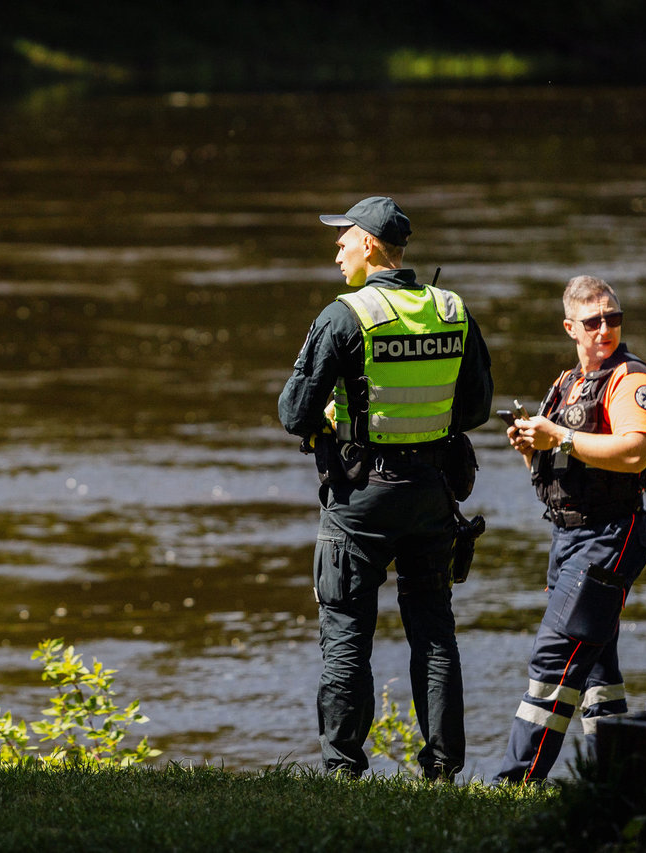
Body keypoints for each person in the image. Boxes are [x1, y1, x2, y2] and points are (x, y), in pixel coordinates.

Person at [278, 196, 493, 780]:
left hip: (358, 500)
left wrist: (332, 415)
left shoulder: (344, 316)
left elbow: (294, 413)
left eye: (343, 238)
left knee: (346, 634)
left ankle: (343, 771)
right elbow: (475, 407)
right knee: (434, 633)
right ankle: (444, 771)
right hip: (432, 495)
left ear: (370, 246)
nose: (336, 248)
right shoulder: (452, 309)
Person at [495, 275, 646, 784]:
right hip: (568, 538)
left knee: (555, 657)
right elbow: (561, 462)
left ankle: (515, 785)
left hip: (610, 537)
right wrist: (534, 449)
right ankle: (617, 780)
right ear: (571, 327)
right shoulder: (566, 382)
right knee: (595, 667)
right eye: (593, 322)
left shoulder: (632, 381)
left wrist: (561, 437)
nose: (605, 329)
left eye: (613, 318)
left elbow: (636, 451)